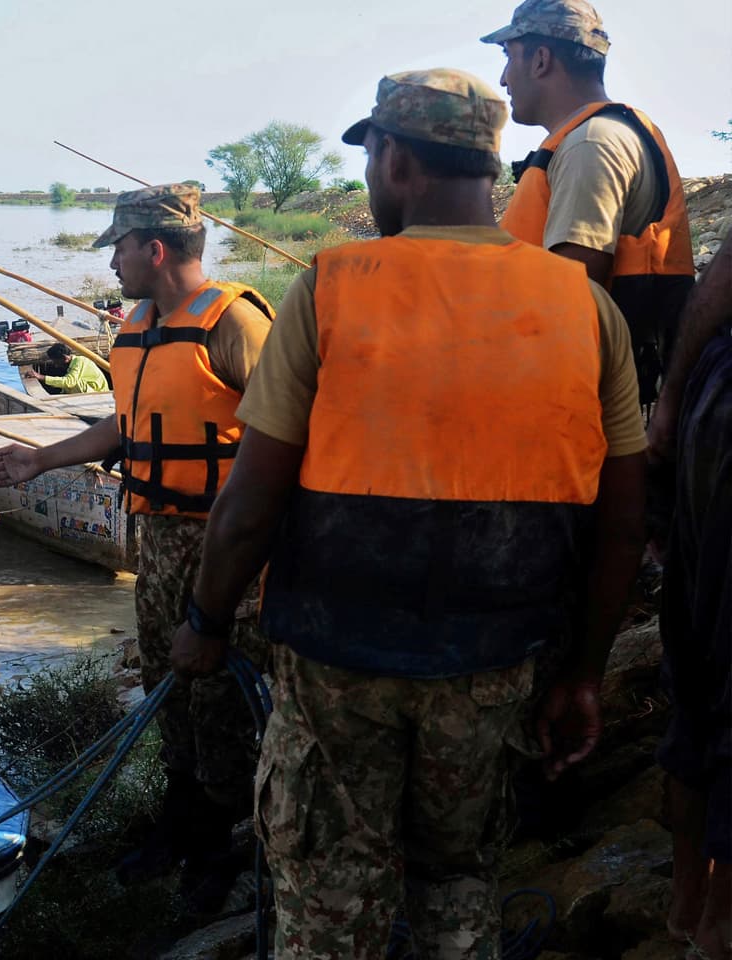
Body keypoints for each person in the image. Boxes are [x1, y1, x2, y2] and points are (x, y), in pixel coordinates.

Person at [175, 69, 646, 959]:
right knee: (457, 883)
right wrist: (583, 673)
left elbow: (248, 503)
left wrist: (202, 621)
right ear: (488, 168)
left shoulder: (333, 286)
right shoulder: (585, 306)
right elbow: (623, 522)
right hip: (499, 661)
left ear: (393, 160)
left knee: (324, 896)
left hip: (335, 663)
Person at [0, 184, 274, 896]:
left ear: (156, 249)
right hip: (157, 538)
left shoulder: (237, 324)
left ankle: (222, 842)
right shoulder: (135, 328)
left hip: (226, 541)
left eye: (119, 248)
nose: (113, 263)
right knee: (166, 685)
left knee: (223, 695)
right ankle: (178, 825)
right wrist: (42, 458)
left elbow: (287, 433)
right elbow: (130, 427)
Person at [485, 0, 695, 402]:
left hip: (582, 409)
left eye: (509, 57)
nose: (503, 79)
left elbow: (572, 290)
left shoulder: (591, 144)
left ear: (541, 59)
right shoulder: (592, 137)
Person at [648, 226, 731, 958]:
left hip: (715, 394)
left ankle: (688, 905)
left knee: (700, 664)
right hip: (717, 400)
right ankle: (716, 927)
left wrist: (674, 394)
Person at [24, 344, 109, 394]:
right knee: (69, 382)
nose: (56, 366)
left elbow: (69, 382)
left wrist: (41, 377)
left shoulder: (80, 361)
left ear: (65, 358)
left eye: (56, 362)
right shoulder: (72, 364)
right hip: (91, 391)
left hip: (99, 393)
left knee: (72, 382)